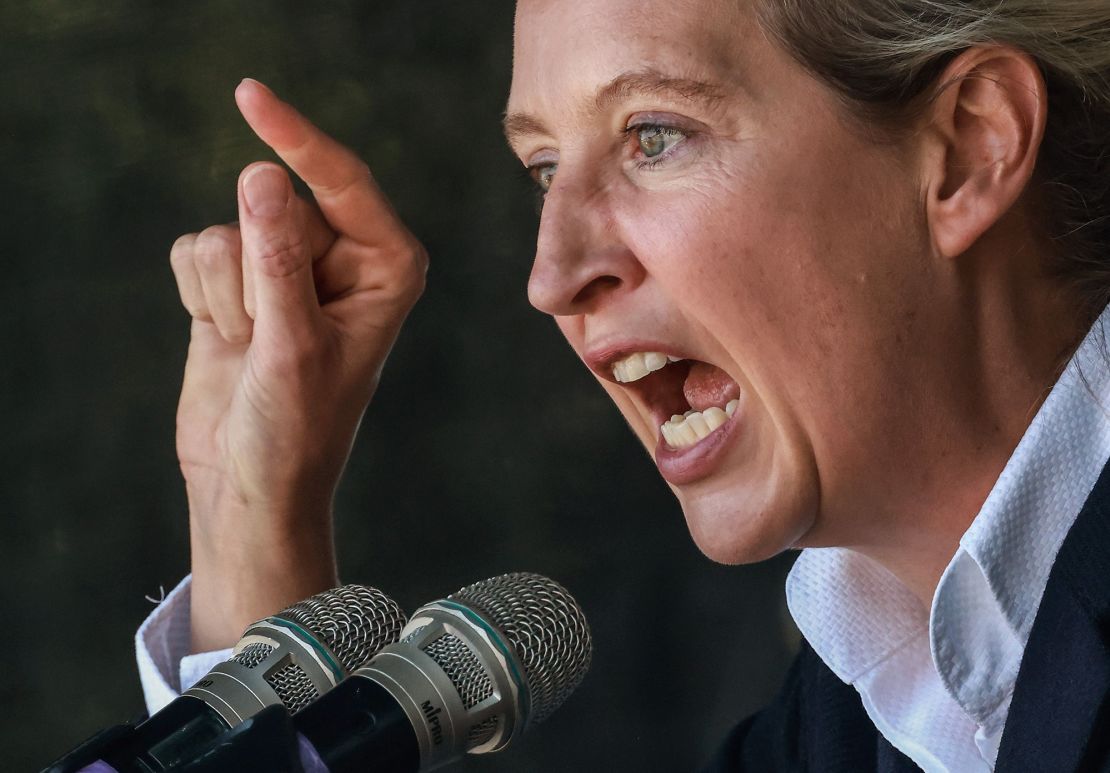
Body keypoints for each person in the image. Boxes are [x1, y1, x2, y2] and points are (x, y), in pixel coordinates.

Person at [137, 0, 1110, 770]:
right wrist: (255, 511)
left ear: (971, 149)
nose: (551, 276)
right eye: (545, 167)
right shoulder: (844, 727)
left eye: (654, 136)